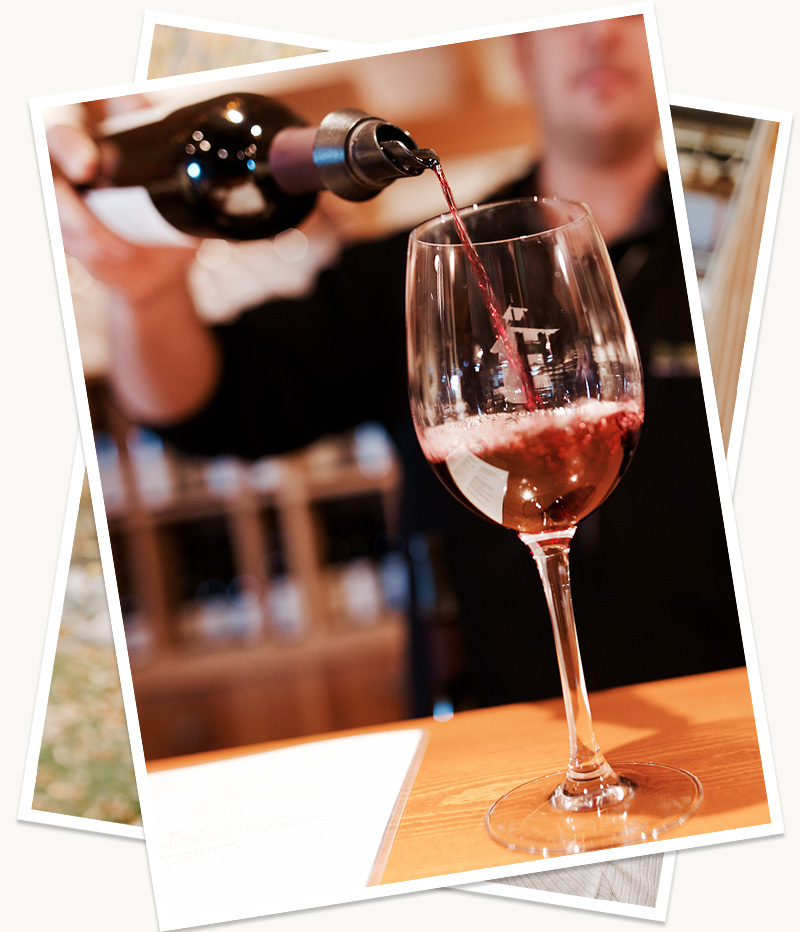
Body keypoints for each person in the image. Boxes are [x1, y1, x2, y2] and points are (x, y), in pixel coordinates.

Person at [49, 16, 745, 714]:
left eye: (630, 10)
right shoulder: (406, 277)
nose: (600, 33)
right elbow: (207, 407)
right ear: (520, 49)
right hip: (485, 735)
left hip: (738, 713)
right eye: (570, 12)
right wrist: (148, 290)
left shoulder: (747, 261)